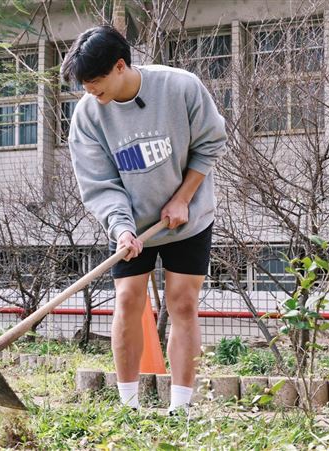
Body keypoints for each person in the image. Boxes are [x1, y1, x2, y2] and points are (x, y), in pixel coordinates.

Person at [61, 25, 227, 415]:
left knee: (183, 304)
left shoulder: (180, 87)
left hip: (188, 218)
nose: (91, 93)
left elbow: (211, 142)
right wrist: (121, 227)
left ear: (120, 66)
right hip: (130, 226)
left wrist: (183, 198)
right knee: (128, 300)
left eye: (96, 83)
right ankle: (128, 405)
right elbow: (100, 183)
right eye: (84, 86)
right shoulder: (88, 115)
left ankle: (181, 407)